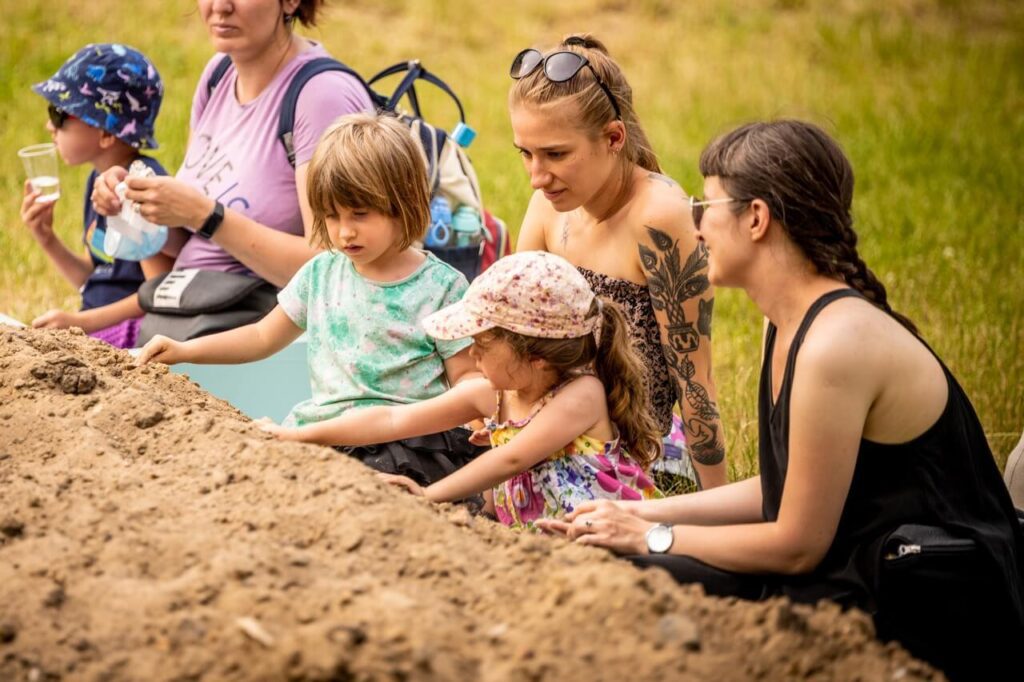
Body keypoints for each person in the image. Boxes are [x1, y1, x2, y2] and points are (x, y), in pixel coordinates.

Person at [537, 120, 1024, 680]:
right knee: (622, 566)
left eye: (706, 207)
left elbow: (797, 546)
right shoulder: (786, 324)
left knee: (645, 586)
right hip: (855, 566)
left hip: (927, 605)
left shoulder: (834, 344)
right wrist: (638, 511)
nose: (695, 227)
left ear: (757, 218)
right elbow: (786, 488)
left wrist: (651, 535)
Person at [138, 112, 481, 484]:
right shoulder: (322, 273)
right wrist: (184, 350)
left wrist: (482, 426)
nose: (344, 231)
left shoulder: (443, 287)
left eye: (360, 214)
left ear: (404, 204)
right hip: (323, 435)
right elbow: (260, 337)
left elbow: (466, 379)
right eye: (331, 216)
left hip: (409, 446)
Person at [262, 251, 663, 529]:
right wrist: (298, 435)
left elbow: (511, 460)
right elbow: (392, 418)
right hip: (536, 534)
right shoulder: (492, 393)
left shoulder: (581, 395)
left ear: (536, 356)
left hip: (607, 533)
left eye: (482, 345)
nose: (469, 353)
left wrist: (427, 495)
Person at [67, 0, 372, 343]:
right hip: (185, 318)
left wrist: (207, 216)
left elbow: (341, 268)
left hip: (262, 344)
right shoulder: (218, 75)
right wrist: (137, 205)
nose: (219, 7)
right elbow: (187, 240)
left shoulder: (322, 97)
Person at [509, 34, 727, 491]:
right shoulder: (551, 200)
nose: (536, 176)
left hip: (635, 457)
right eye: (525, 153)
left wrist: (718, 509)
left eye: (555, 153)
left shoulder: (660, 217)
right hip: (546, 432)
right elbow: (510, 327)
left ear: (613, 137)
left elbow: (694, 381)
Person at [22, 43, 170, 349]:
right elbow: (96, 278)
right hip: (98, 324)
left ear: (106, 133)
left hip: (131, 333)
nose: (49, 126)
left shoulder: (141, 184)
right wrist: (46, 237)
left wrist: (80, 324)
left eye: (60, 114)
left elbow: (159, 291)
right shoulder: (97, 179)